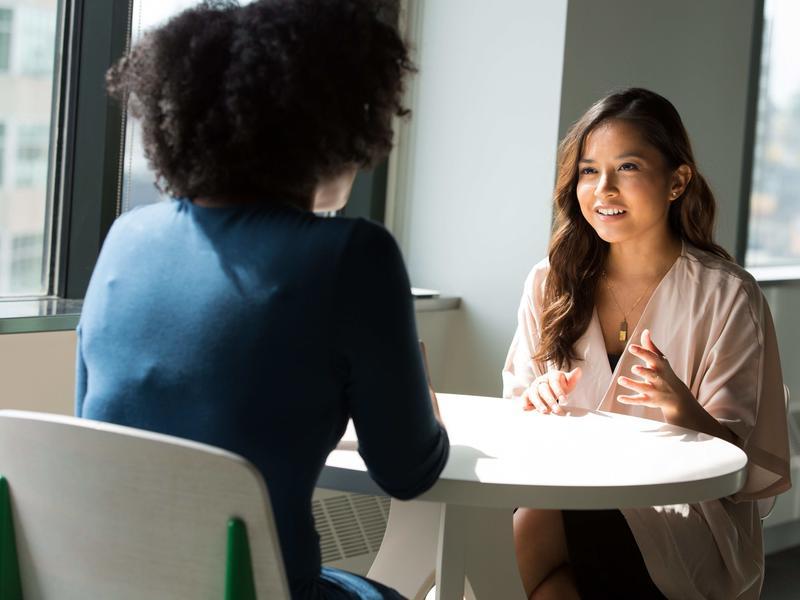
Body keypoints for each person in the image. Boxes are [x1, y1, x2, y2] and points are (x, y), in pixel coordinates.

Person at [75, 2, 449, 599]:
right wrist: (420, 406)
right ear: (331, 127)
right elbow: (407, 472)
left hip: (108, 585)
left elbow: (99, 432)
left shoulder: (126, 240)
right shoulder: (354, 254)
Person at [503, 88, 791, 600]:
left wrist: (684, 410)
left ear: (677, 181)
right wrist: (535, 399)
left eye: (627, 167)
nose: (603, 189)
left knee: (527, 530)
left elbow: (738, 467)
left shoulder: (727, 295)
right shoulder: (550, 281)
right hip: (563, 493)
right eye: (589, 170)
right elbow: (514, 415)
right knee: (550, 588)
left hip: (683, 519)